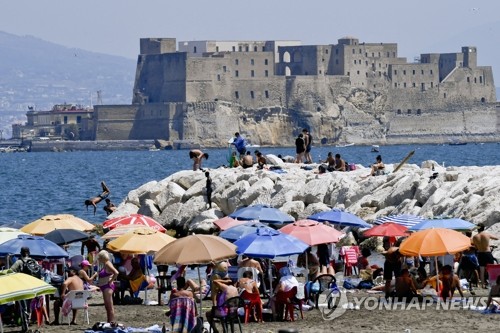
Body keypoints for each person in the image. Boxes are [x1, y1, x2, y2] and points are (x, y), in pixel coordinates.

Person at [472, 223, 498, 288]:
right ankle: (491, 283)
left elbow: (476, 247)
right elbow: (496, 238)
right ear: (484, 228)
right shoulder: (487, 234)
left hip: (480, 254)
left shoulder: (474, 237)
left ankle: (483, 284)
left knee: (482, 270)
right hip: (487, 253)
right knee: (491, 269)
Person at [96, 250, 119, 325]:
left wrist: (111, 280)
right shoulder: (104, 264)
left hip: (107, 286)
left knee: (109, 307)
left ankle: (111, 322)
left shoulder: (108, 263)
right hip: (104, 286)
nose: (98, 259)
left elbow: (116, 272)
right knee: (107, 306)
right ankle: (109, 322)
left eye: (99, 257)